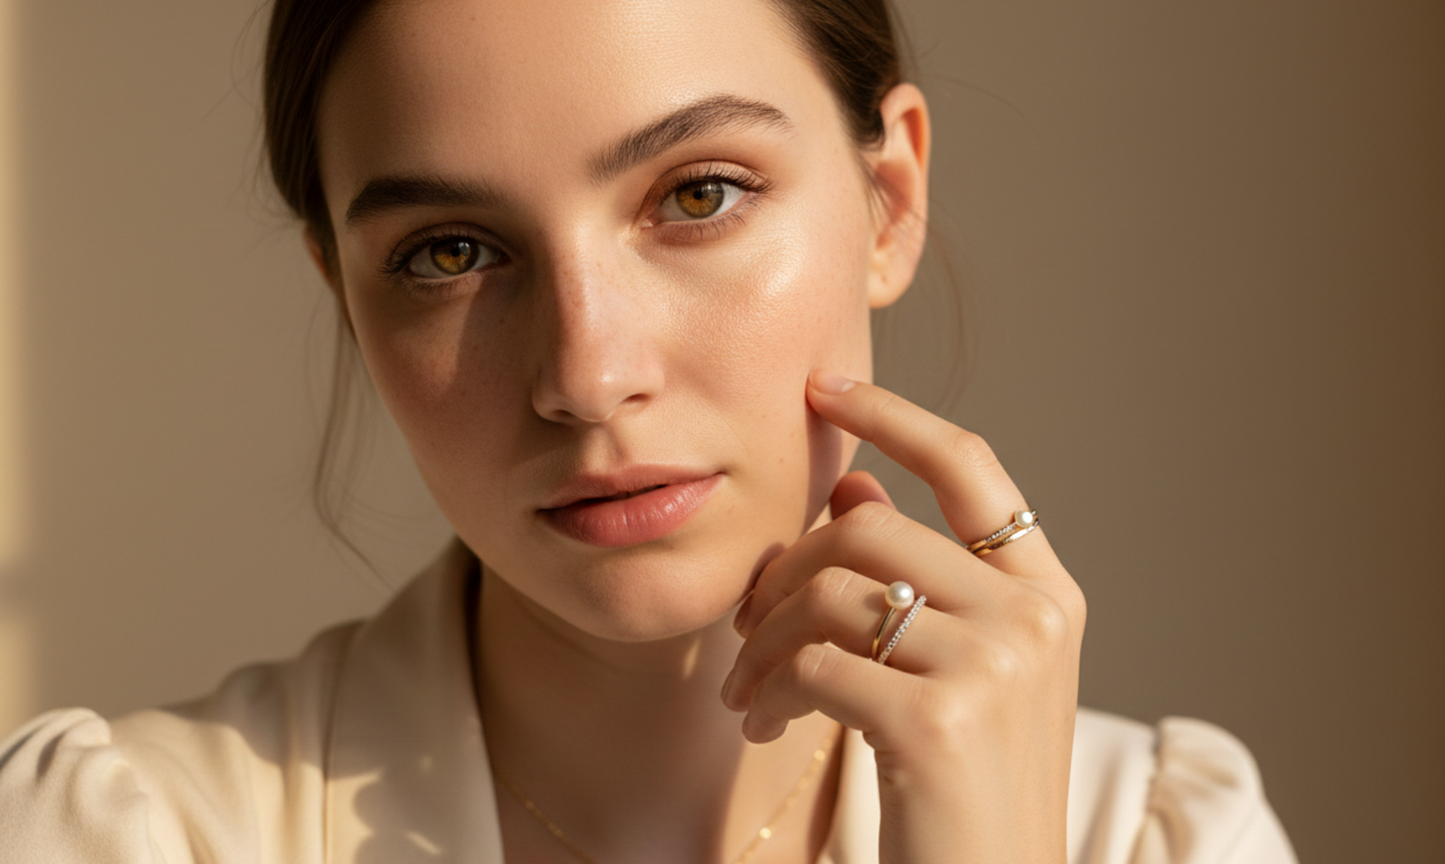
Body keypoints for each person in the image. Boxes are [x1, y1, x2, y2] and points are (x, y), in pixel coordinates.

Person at [0, 0, 1298, 862]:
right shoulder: (123, 836)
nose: (587, 374)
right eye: (450, 252)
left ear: (889, 200)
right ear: (344, 291)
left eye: (699, 194)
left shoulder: (1157, 837)